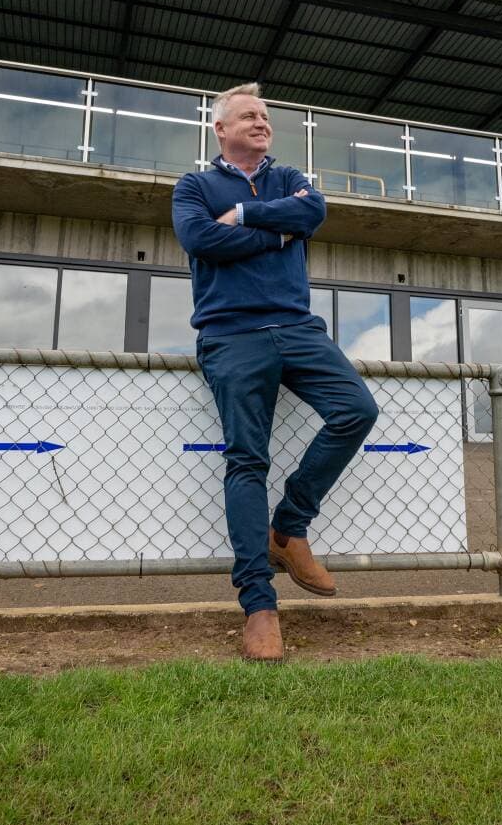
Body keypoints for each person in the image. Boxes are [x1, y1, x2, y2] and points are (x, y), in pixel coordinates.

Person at [171, 82, 380, 661]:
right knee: (247, 460)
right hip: (232, 335)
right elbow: (200, 238)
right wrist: (279, 232)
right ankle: (259, 606)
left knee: (356, 410)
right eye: (249, 116)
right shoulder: (193, 187)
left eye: (265, 116)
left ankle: (288, 528)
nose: (262, 123)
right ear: (221, 129)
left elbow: (314, 211)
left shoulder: (288, 177)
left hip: (297, 328)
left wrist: (244, 215)